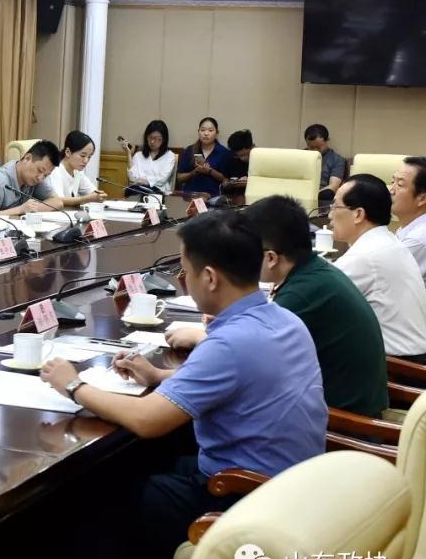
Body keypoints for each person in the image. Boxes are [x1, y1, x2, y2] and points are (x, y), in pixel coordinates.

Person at [41, 210, 327, 559]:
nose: (183, 279)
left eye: (185, 271)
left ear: (209, 277)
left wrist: (73, 385)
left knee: (95, 503)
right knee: (137, 465)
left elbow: (147, 420)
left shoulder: (229, 343)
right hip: (293, 487)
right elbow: (242, 378)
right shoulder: (284, 319)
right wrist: (158, 376)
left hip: (243, 495)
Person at [169, 195, 388, 418]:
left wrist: (200, 337)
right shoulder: (314, 272)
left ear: (271, 258)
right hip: (336, 404)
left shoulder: (302, 293)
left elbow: (247, 357)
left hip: (344, 421)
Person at [330, 174, 426, 362]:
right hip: (410, 357)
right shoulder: (386, 241)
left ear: (358, 214)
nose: (329, 214)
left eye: (335, 206)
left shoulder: (366, 255)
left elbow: (317, 297)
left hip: (398, 366)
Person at [0, 140, 68, 216]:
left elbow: (57, 202)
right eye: (40, 170)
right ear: (27, 158)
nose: (40, 178)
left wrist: (31, 209)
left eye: (46, 175)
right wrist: (20, 210)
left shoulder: (34, 179)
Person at [45, 131, 107, 205]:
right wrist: (86, 199)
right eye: (82, 156)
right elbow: (57, 200)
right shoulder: (55, 170)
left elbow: (92, 192)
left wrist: (98, 196)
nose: (86, 161)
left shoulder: (77, 172)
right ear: (68, 152)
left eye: (89, 157)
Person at [176, 117, 230, 197]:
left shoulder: (224, 152)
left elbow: (227, 181)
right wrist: (194, 172)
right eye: (203, 130)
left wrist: (210, 171)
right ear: (198, 132)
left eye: (210, 130)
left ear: (217, 133)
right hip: (190, 196)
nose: (206, 133)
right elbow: (179, 178)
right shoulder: (190, 150)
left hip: (213, 197)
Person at [392, 156, 426, 284]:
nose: (391, 190)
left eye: (400, 184)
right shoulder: (410, 226)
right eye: (392, 181)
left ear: (422, 198)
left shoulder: (418, 239)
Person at [121, 120, 176, 194]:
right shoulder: (138, 155)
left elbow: (162, 179)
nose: (152, 141)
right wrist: (128, 154)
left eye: (156, 138)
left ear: (164, 139)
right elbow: (132, 178)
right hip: (137, 191)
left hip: (158, 193)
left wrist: (144, 181)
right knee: (131, 191)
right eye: (150, 137)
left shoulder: (169, 156)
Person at [304, 123, 346, 205]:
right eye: (311, 147)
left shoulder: (337, 159)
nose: (315, 150)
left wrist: (311, 196)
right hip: (299, 191)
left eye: (318, 147)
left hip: (321, 195)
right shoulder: (299, 156)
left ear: (327, 141)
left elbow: (333, 186)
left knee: (328, 194)